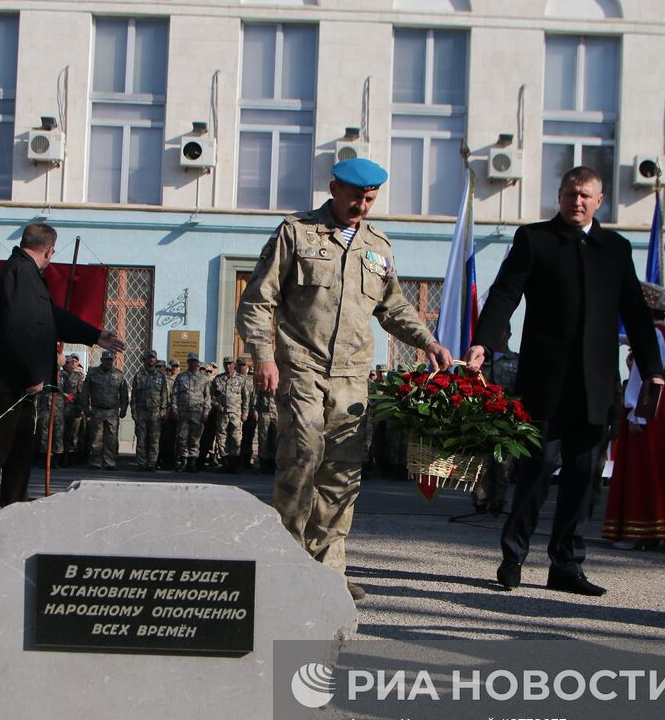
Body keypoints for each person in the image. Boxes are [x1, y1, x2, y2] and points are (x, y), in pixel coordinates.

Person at [237, 157, 452, 600]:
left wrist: (427, 341)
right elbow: (258, 300)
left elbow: (392, 308)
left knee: (343, 472)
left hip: (352, 375)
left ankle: (327, 567)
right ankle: (286, 558)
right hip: (300, 365)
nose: (362, 205)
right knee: (303, 451)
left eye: (370, 198)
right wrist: (263, 356)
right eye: (355, 196)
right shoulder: (294, 233)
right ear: (334, 188)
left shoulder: (379, 248)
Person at [466, 166, 661, 596]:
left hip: (595, 388)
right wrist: (483, 341)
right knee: (535, 473)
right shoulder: (535, 239)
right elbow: (504, 293)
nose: (577, 201)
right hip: (545, 385)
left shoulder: (615, 247)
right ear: (560, 196)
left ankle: (567, 564)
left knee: (583, 476)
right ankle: (513, 556)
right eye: (571, 194)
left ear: (599, 200)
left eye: (586, 195)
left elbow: (636, 312)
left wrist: (653, 368)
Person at [0, 224, 121, 521]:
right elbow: (18, 328)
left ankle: (14, 511)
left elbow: (51, 317)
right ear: (50, 250)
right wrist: (31, 373)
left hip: (21, 384)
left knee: (21, 451)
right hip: (8, 382)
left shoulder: (30, 276)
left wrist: (95, 335)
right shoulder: (18, 272)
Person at [601, 283, 665, 546]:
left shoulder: (653, 334)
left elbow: (646, 375)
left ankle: (640, 530)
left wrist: (638, 414)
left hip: (648, 407)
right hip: (663, 407)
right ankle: (657, 529)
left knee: (644, 468)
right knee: (658, 467)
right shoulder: (664, 333)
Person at [471, 323, 520, 516]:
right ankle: (480, 501)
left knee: (503, 464)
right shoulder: (480, 361)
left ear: (508, 335)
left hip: (506, 421)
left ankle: (499, 501)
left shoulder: (516, 361)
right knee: (480, 463)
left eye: (502, 332)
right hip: (481, 420)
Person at [84, 350, 129, 469]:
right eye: (106, 360)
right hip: (97, 410)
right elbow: (85, 392)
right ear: (101, 360)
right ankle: (95, 462)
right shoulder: (93, 373)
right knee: (96, 438)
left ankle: (109, 462)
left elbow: (124, 393)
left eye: (111, 360)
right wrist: (85, 407)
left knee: (111, 438)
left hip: (112, 411)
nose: (109, 362)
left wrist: (123, 408)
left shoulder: (119, 375)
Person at [130, 349, 169, 471]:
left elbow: (164, 395)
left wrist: (163, 410)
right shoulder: (139, 375)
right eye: (149, 357)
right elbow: (134, 394)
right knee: (141, 439)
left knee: (154, 440)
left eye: (153, 357)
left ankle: (152, 463)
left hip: (155, 412)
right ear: (144, 359)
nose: (151, 359)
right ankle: (142, 464)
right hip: (141, 412)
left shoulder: (161, 376)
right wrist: (134, 410)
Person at [171, 353, 209, 472]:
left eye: (195, 361)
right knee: (182, 438)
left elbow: (207, 397)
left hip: (197, 413)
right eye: (190, 361)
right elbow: (174, 395)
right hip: (183, 412)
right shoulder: (181, 377)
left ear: (198, 363)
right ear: (187, 362)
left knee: (195, 438)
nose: (193, 363)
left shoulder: (204, 379)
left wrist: (206, 412)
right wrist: (174, 408)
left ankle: (192, 462)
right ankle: (184, 461)